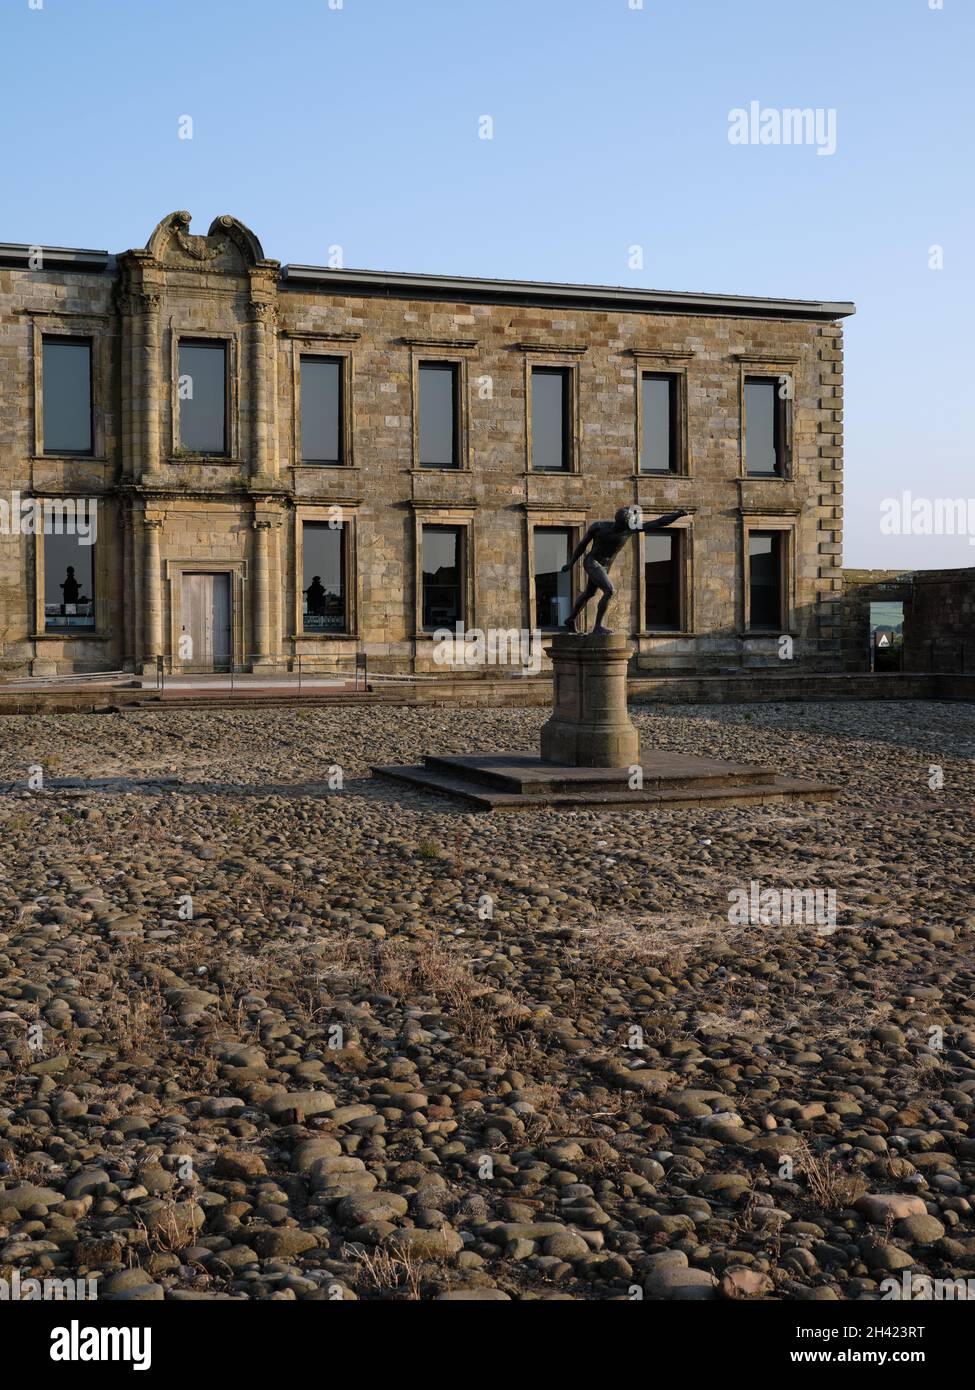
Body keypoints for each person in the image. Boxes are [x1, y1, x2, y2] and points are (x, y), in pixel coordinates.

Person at [561, 507, 688, 634]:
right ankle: (597, 627)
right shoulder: (598, 527)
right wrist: (571, 563)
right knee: (609, 591)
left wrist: (676, 515)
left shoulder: (630, 529)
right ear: (619, 523)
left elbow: (659, 522)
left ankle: (570, 619)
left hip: (605, 566)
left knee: (589, 593)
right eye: (624, 525)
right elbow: (582, 545)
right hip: (592, 562)